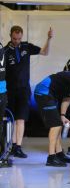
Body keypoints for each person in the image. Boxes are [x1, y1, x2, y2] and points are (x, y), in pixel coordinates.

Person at [5, 25, 53, 158]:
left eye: (19, 39)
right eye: (14, 39)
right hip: (9, 90)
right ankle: (10, 146)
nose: (17, 41)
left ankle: (18, 147)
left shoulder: (26, 46)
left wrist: (49, 39)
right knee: (11, 119)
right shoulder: (4, 51)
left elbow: (44, 52)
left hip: (24, 90)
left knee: (21, 119)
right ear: (10, 36)